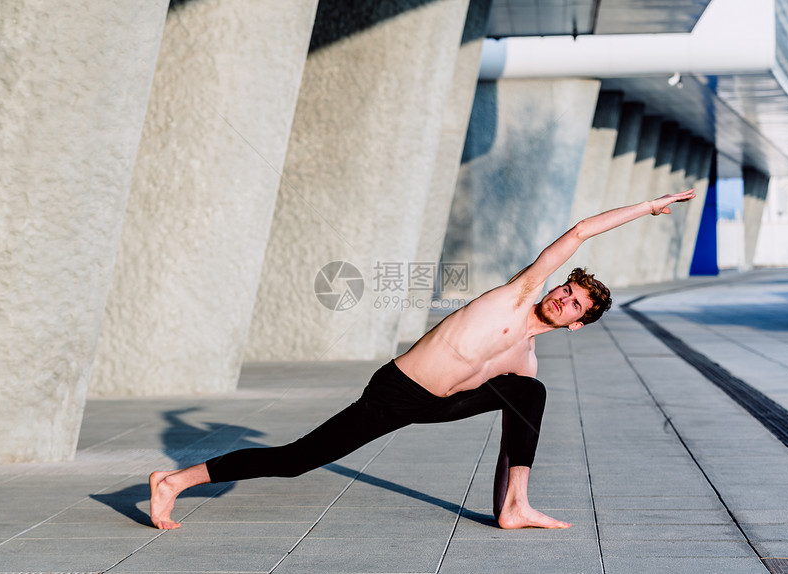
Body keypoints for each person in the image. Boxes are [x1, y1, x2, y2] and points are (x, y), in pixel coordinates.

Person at [149, 189, 695, 530]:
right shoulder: (518, 293)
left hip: (440, 405)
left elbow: (514, 437)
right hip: (396, 392)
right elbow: (579, 233)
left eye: (572, 305)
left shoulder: (523, 359)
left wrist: (501, 497)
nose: (561, 299)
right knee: (297, 459)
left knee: (530, 394)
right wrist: (647, 208)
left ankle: (515, 506)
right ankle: (176, 481)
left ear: (575, 324)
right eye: (565, 291)